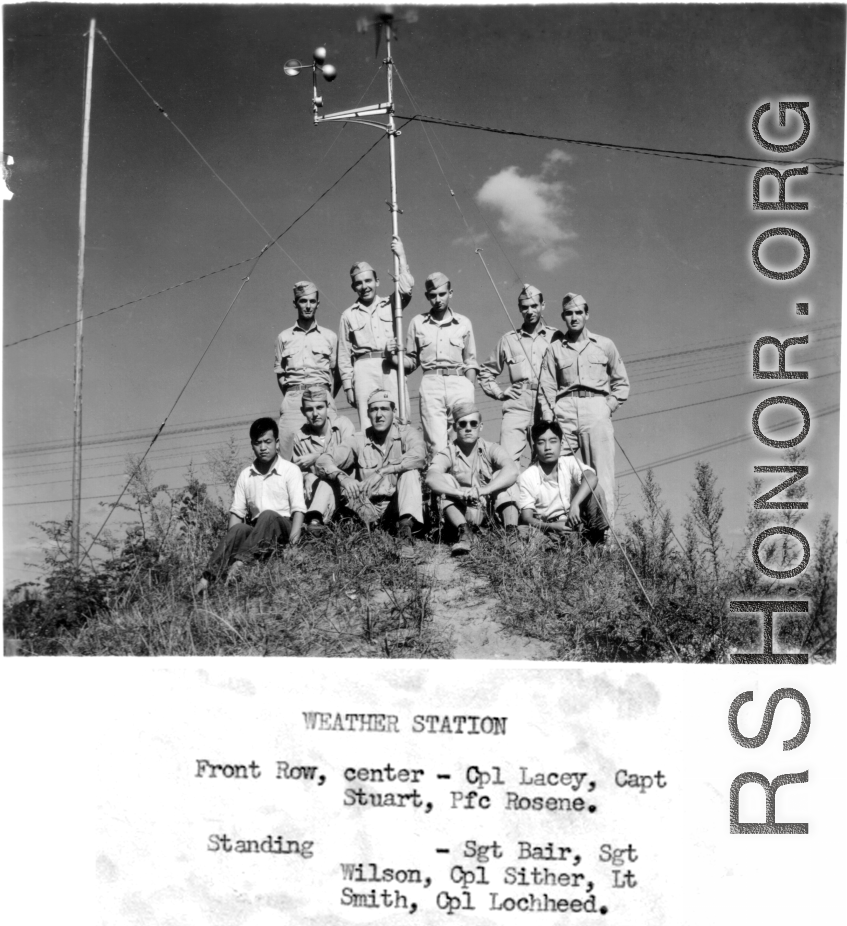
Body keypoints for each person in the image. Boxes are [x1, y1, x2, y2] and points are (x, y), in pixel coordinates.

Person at [537, 292, 629, 522]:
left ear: (587, 315)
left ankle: (605, 536)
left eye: (579, 312)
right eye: (569, 313)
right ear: (563, 317)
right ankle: (559, 531)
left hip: (596, 408)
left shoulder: (604, 345)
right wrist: (550, 420)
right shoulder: (554, 349)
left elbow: (621, 382)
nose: (574, 317)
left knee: (602, 474)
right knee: (555, 469)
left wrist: (607, 407)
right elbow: (546, 387)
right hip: (564, 410)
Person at [195, 418, 305, 593]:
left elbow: (299, 509)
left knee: (268, 515)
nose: (263, 448)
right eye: (258, 443)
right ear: (252, 445)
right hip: (257, 532)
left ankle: (240, 565)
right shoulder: (246, 475)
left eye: (267, 442)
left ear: (277, 443)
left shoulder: (290, 470)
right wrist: (234, 542)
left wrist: (293, 545)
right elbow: (237, 514)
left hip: (282, 528)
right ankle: (206, 579)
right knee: (239, 528)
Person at [314, 389, 425, 556]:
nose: (379, 415)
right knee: (327, 480)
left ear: (394, 412)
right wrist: (343, 478)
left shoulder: (407, 434)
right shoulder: (358, 439)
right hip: (366, 507)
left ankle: (404, 535)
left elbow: (419, 455)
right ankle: (313, 534)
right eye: (374, 410)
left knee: (410, 473)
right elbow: (323, 461)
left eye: (384, 409)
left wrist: (381, 472)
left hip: (395, 508)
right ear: (368, 413)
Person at [478, 283, 563, 467]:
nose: (530, 311)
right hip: (517, 404)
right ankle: (510, 497)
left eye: (534, 306)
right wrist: (500, 393)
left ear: (543, 306)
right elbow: (485, 372)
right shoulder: (508, 339)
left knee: (545, 459)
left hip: (546, 403)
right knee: (506, 460)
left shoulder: (556, 337)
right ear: (519, 309)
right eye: (525, 307)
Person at [396, 271, 479, 454]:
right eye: (433, 296)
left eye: (442, 294)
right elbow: (411, 361)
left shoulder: (463, 323)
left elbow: (470, 360)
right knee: (437, 445)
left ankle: (466, 481)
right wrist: (394, 358)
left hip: (459, 383)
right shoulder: (417, 323)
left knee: (465, 440)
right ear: (427, 297)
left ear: (450, 293)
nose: (438, 299)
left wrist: (469, 385)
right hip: (431, 384)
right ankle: (443, 480)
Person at [338, 236, 414, 430]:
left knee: (400, 417)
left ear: (377, 281)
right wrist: (348, 386)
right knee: (368, 423)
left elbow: (406, 288)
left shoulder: (391, 304)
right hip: (363, 370)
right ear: (353, 287)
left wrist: (402, 256)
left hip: (391, 365)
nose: (365, 287)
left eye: (368, 281)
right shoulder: (348, 315)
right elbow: (344, 355)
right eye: (359, 283)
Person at [426, 401, 520, 556]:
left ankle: (511, 535)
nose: (468, 428)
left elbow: (512, 471)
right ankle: (465, 533)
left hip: (488, 512)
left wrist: (484, 490)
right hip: (461, 512)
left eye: (473, 423)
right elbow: (431, 478)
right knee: (445, 479)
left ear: (480, 426)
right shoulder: (447, 452)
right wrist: (458, 493)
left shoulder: (492, 449)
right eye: (462, 424)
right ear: (455, 427)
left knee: (503, 477)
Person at [274, 280, 340, 461]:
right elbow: (280, 375)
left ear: (318, 303)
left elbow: (337, 374)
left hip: (322, 397)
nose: (308, 306)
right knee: (288, 458)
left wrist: (326, 395)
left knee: (329, 453)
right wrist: (293, 395)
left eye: (312, 301)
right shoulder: (283, 337)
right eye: (303, 301)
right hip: (294, 400)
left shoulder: (330, 336)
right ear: (295, 303)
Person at [518, 420, 608, 545]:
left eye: (553, 441)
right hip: (548, 527)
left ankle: (597, 543)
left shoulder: (569, 462)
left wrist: (575, 504)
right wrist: (551, 526)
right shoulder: (527, 476)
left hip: (576, 520)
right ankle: (553, 551)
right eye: (541, 442)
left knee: (595, 490)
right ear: (534, 448)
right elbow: (526, 517)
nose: (548, 447)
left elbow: (591, 477)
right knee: (522, 532)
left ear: (561, 443)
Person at [291, 387, 356, 534]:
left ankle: (313, 523)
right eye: (309, 409)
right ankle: (314, 525)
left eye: (320, 407)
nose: (315, 414)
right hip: (319, 493)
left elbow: (348, 457)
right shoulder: (300, 436)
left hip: (347, 490)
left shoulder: (343, 425)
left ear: (328, 407)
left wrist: (316, 457)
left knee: (327, 479)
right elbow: (295, 471)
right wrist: (306, 475)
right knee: (321, 481)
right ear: (303, 411)